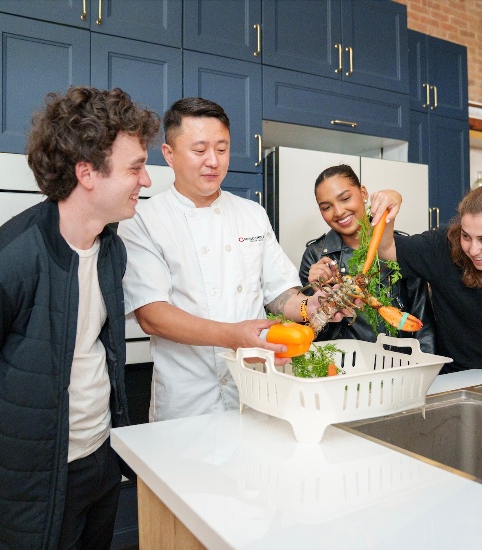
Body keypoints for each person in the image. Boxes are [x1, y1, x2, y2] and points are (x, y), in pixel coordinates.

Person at [0, 87, 160, 549]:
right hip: (29, 487)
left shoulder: (112, 250)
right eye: (135, 168)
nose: (145, 180)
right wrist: (1, 456)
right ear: (86, 173)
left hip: (100, 462)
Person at [117, 97, 345, 422]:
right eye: (199, 150)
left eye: (222, 149)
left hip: (256, 389)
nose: (213, 161)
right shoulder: (143, 219)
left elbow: (279, 294)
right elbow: (152, 315)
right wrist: (231, 336)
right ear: (169, 154)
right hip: (187, 402)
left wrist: (313, 306)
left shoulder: (252, 214)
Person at [371, 184, 482, 373]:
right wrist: (388, 208)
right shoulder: (442, 248)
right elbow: (387, 250)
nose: (473, 250)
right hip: (455, 376)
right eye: (466, 236)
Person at [300, 164, 436, 352]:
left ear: (363, 193)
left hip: (402, 362)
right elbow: (311, 334)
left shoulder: (400, 248)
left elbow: (423, 321)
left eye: (345, 198)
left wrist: (426, 363)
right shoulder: (315, 255)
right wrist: (318, 293)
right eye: (326, 207)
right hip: (345, 362)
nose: (338, 212)